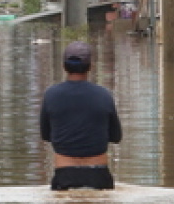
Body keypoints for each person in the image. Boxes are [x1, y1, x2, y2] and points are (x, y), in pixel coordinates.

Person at [39, 41, 122, 191]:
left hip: (64, 174)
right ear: (90, 66)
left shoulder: (51, 95)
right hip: (99, 174)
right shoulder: (104, 95)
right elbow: (116, 136)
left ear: (64, 66)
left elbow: (46, 135)